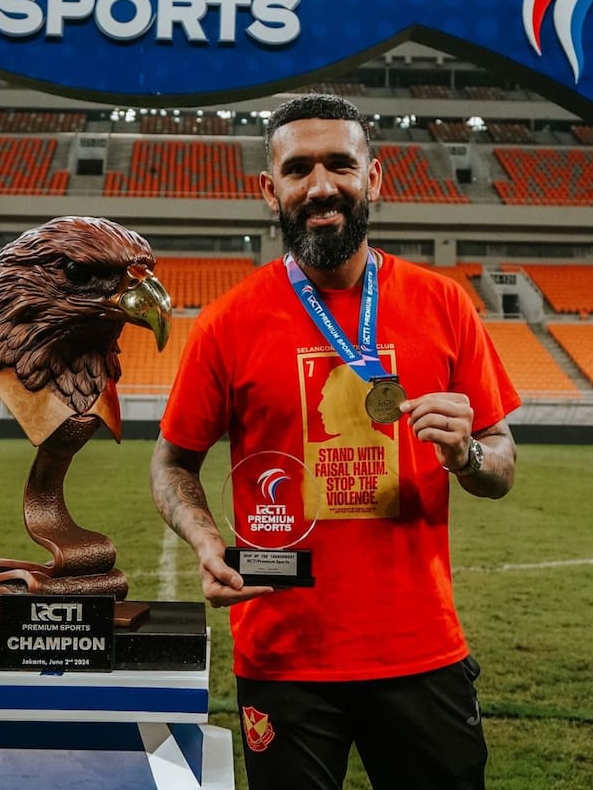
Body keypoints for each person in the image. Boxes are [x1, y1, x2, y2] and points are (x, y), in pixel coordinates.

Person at [150, 93, 520, 790]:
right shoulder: (227, 323)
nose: (321, 186)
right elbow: (173, 461)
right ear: (271, 190)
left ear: (373, 178)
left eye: (340, 165)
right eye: (299, 169)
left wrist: (467, 454)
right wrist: (204, 541)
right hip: (282, 655)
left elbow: (501, 461)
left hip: (419, 649)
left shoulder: (443, 304)